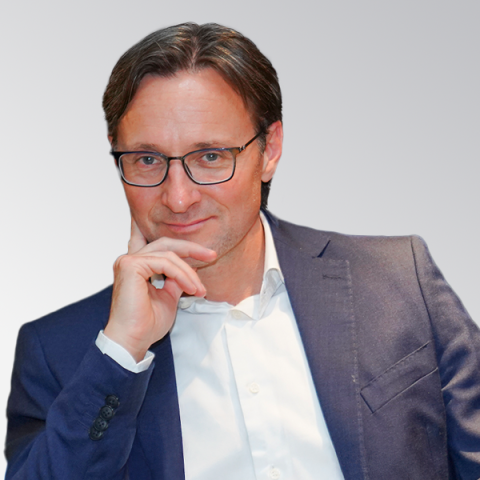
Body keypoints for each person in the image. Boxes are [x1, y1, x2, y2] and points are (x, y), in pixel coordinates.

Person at [5, 22, 480, 480]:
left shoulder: (400, 282)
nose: (178, 197)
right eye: (147, 159)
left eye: (210, 156)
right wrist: (122, 352)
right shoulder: (62, 353)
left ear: (269, 149)